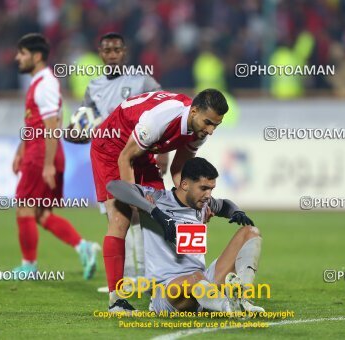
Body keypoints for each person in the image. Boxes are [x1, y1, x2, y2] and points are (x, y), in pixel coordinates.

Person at [90, 89, 228, 311]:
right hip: (113, 147)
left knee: (164, 213)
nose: (210, 131)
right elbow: (125, 157)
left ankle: (168, 285)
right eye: (208, 123)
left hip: (142, 151)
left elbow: (179, 172)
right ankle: (116, 299)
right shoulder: (159, 120)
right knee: (121, 219)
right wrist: (134, 200)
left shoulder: (198, 130)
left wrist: (193, 202)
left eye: (216, 125)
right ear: (193, 112)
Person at [66, 32, 165, 288]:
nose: (112, 55)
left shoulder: (142, 80)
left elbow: (163, 111)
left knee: (140, 213)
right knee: (116, 215)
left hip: (136, 154)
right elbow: (84, 117)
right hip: (107, 157)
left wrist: (163, 152)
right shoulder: (94, 86)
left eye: (117, 50)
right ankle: (128, 278)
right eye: (107, 50)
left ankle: (146, 275)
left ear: (124, 52)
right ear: (100, 53)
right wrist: (74, 130)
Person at [107, 157, 264, 313]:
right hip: (168, 292)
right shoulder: (157, 199)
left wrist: (236, 211)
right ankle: (228, 306)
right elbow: (114, 186)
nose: (208, 194)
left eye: (211, 189)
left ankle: (242, 298)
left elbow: (225, 204)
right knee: (195, 278)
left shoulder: (204, 204)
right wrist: (153, 211)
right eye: (203, 188)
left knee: (250, 232)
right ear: (185, 184)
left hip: (204, 282)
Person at [12, 33, 99, 279]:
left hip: (41, 156)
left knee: (24, 209)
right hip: (37, 153)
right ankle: (84, 247)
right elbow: (34, 123)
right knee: (42, 214)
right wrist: (20, 150)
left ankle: (29, 266)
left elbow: (51, 127)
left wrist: (47, 164)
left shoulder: (46, 84)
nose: (17, 58)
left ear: (36, 56)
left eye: (23, 53)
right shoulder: (40, 82)